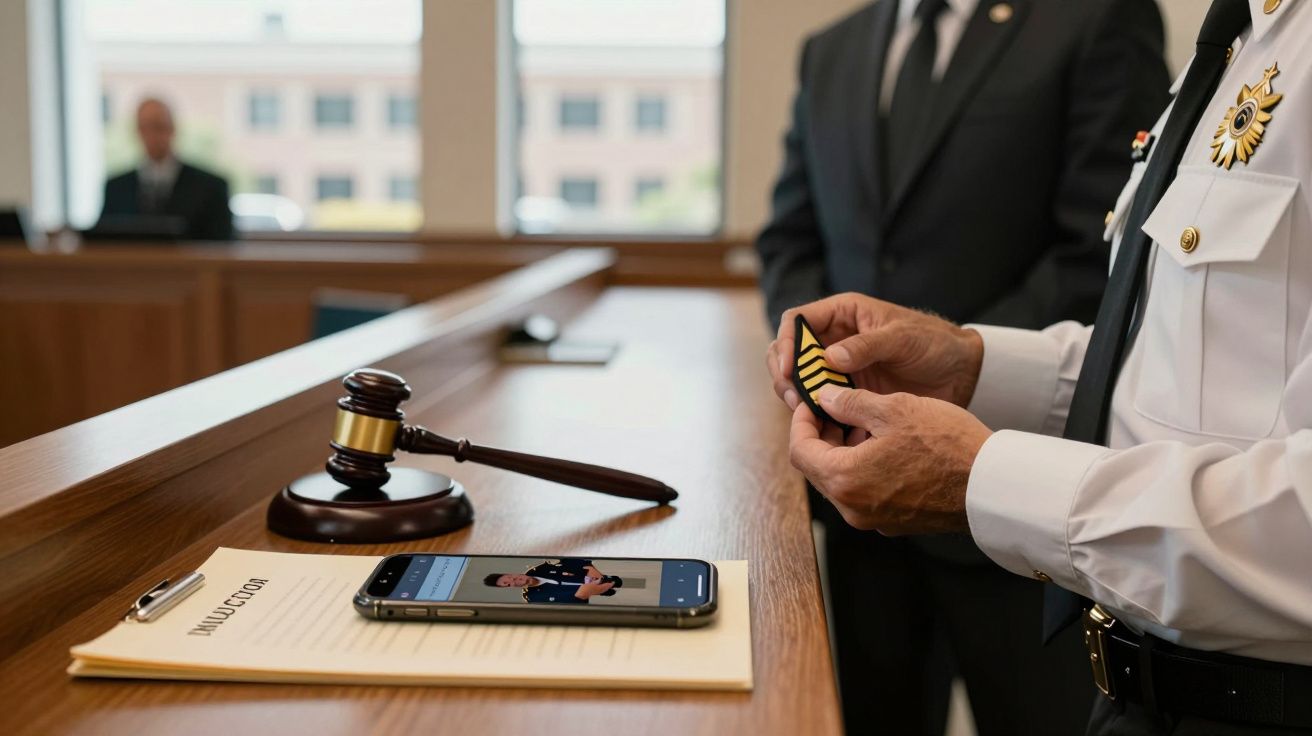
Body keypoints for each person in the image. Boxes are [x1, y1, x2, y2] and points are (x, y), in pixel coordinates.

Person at [767, 0, 1312, 733]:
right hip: (1136, 684)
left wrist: (983, 478)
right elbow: (1167, 357)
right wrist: (971, 364)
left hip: (1252, 699)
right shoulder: (1249, 33)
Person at [97, 97, 234, 241]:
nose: (152, 135)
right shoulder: (116, 187)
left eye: (158, 126)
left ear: (173, 128)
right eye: (145, 127)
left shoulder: (211, 187)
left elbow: (223, 243)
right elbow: (103, 239)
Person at [484, 559, 622, 604]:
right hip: (596, 600)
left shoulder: (541, 567)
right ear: (510, 588)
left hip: (602, 572)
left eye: (510, 577)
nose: (514, 580)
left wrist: (595, 573)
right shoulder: (534, 598)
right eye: (508, 584)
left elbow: (574, 562)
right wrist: (590, 591)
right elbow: (571, 601)